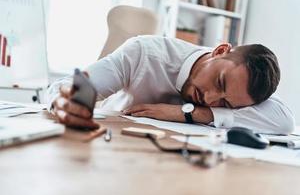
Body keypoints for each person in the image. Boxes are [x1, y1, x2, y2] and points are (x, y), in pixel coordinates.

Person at [46, 35, 294, 134]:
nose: (210, 99)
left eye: (225, 103)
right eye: (219, 81)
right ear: (219, 51)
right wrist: (63, 102)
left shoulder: (239, 93)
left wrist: (190, 114)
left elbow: (283, 121)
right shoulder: (145, 53)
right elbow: (69, 86)